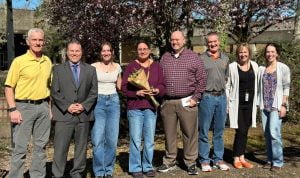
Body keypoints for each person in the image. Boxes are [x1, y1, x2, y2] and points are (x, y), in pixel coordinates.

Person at [157, 31, 207, 175]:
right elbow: (160, 80)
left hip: (187, 101)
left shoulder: (193, 57)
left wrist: (196, 98)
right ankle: (169, 161)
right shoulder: (165, 57)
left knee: (189, 134)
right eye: (172, 39)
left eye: (177, 39)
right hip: (168, 102)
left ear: (184, 40)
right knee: (169, 134)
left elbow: (202, 79)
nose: (175, 42)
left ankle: (190, 162)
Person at [5, 28, 52, 178]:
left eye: (40, 40)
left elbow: (49, 87)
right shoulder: (19, 62)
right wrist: (13, 109)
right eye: (34, 40)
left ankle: (37, 175)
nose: (38, 43)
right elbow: (8, 87)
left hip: (43, 107)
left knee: (40, 147)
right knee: (20, 148)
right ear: (28, 42)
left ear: (43, 41)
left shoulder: (47, 61)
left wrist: (49, 108)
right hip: (23, 108)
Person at [51, 40, 98, 178]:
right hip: (63, 115)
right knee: (60, 149)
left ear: (81, 52)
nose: (74, 53)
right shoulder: (58, 70)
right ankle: (57, 175)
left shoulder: (90, 70)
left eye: (77, 51)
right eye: (71, 50)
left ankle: (77, 173)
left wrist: (83, 106)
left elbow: (94, 92)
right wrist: (68, 106)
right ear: (67, 52)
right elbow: (55, 91)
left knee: (81, 149)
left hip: (83, 116)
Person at [122, 41, 165, 178]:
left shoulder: (156, 66)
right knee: (135, 138)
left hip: (150, 108)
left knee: (149, 139)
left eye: (145, 49)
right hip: (135, 108)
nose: (142, 51)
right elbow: (124, 88)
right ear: (137, 51)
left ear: (149, 50)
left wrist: (157, 90)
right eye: (140, 49)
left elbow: (162, 85)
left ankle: (147, 166)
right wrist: (136, 93)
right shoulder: (131, 66)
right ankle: (135, 168)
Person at [198, 32, 230, 172]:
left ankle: (218, 159)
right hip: (207, 97)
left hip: (222, 97)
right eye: (210, 42)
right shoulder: (201, 59)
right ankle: (204, 160)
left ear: (219, 42)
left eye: (215, 41)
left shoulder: (225, 58)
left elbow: (226, 78)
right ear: (207, 43)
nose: (213, 44)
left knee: (219, 130)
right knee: (204, 130)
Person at [257, 43, 290, 171]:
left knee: (275, 133)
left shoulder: (283, 68)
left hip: (277, 105)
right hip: (265, 105)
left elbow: (287, 87)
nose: (270, 54)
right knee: (267, 134)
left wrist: (284, 105)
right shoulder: (262, 69)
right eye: (268, 52)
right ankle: (269, 159)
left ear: (277, 53)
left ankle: (277, 162)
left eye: (272, 52)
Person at [91, 42, 122, 178]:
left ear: (112, 51)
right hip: (98, 102)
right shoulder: (93, 67)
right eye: (103, 51)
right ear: (100, 52)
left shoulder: (117, 67)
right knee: (97, 139)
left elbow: (120, 87)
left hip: (114, 102)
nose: (106, 53)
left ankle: (108, 170)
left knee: (111, 139)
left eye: (108, 50)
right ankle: (99, 171)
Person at [226, 43, 259, 169]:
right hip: (237, 103)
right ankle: (236, 157)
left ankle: (242, 157)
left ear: (249, 53)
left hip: (250, 103)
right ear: (237, 54)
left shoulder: (255, 66)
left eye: (245, 52)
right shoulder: (232, 67)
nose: (243, 54)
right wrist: (228, 103)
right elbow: (227, 86)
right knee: (240, 130)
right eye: (240, 52)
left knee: (245, 130)